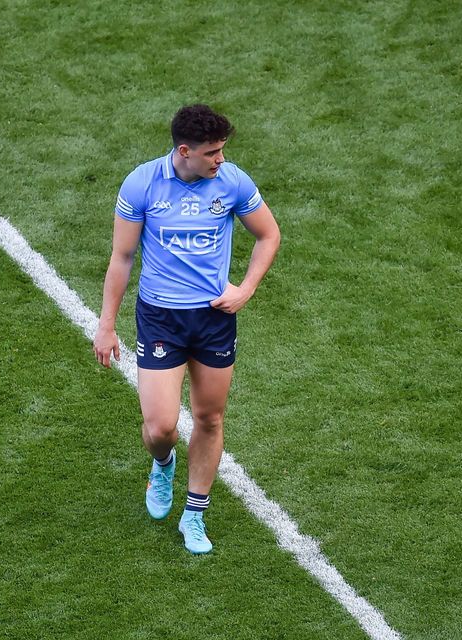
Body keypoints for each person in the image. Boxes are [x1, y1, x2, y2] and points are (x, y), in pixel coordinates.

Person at [93, 104, 280, 554]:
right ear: (184, 151)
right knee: (160, 426)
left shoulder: (233, 181)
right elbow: (122, 257)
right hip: (161, 317)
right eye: (213, 152)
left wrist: (246, 289)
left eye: (222, 151)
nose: (221, 160)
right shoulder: (142, 184)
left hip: (214, 318)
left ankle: (194, 514)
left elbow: (268, 235)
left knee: (209, 418)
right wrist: (106, 325)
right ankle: (163, 465)